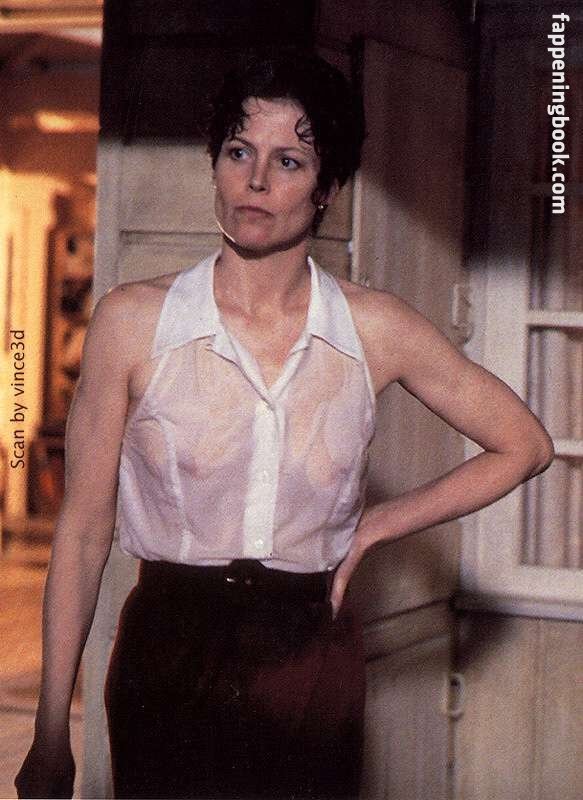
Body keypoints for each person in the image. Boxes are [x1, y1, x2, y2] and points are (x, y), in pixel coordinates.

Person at [15, 48, 554, 800]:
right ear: (215, 164)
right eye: (239, 152)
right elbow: (79, 534)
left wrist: (377, 525)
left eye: (289, 161)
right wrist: (49, 730)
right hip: (168, 651)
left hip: (309, 659)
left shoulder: (374, 327)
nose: (257, 181)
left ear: (326, 188)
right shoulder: (132, 321)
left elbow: (524, 445)